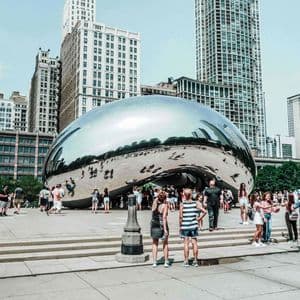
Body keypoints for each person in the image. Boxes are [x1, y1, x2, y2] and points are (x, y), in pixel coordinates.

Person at [179, 188, 207, 267]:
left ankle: (186, 261)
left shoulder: (182, 204)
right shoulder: (196, 203)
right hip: (194, 226)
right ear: (191, 195)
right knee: (194, 243)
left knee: (186, 243)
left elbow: (180, 217)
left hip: (185, 226)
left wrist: (180, 226)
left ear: (184, 195)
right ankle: (195, 260)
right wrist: (198, 219)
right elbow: (205, 212)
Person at [150, 190, 169, 267]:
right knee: (165, 243)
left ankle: (154, 262)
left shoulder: (154, 203)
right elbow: (164, 218)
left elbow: (156, 200)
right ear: (165, 198)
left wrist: (159, 195)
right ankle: (166, 261)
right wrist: (165, 230)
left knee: (155, 243)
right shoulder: (165, 206)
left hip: (154, 224)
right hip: (161, 225)